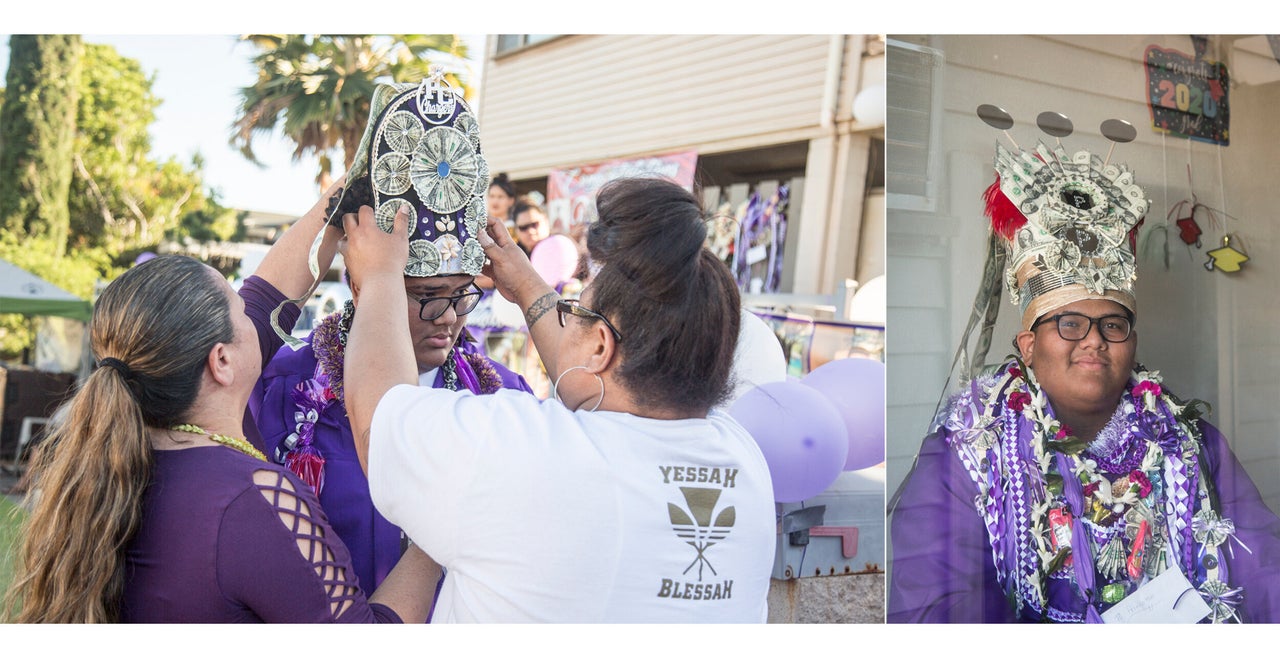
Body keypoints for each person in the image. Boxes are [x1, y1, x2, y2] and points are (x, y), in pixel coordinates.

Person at [340, 176, 775, 622]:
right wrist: (528, 286)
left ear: (601, 346)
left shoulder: (527, 452)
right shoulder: (743, 460)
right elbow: (583, 374)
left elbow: (380, 419)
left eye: (575, 311)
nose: (563, 319)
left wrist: (379, 278)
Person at [2, 182, 438, 623]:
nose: (254, 313)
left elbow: (270, 300)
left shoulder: (120, 463)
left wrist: (346, 192)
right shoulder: (256, 499)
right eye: (237, 306)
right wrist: (439, 534)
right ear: (222, 361)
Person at [888, 136, 1280, 623]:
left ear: (1132, 342)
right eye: (1069, 323)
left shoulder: (1188, 442)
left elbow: (1262, 563)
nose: (1094, 340)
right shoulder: (968, 452)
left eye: (1113, 325)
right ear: (1029, 346)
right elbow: (935, 608)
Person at [251, 78, 532, 595]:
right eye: (426, 295)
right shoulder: (284, 392)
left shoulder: (506, 399)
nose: (449, 316)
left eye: (462, 294)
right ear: (364, 283)